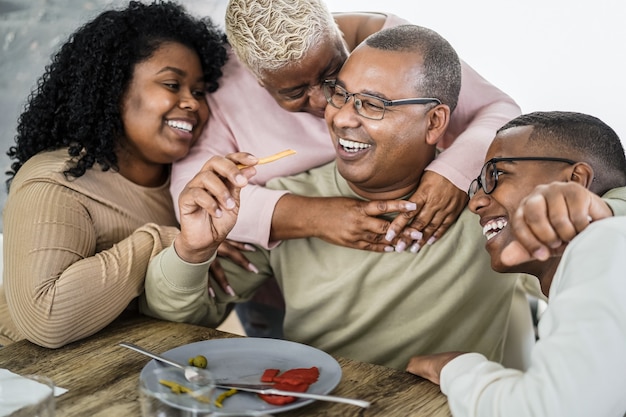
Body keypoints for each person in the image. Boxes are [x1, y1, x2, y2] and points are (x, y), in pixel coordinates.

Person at [142, 24, 526, 370]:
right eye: (341, 95)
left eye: (374, 104)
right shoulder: (283, 200)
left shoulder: (494, 204)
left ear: (435, 122)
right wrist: (191, 249)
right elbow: (178, 315)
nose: (338, 116)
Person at [0, 1, 236, 348]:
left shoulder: (191, 187)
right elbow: (46, 320)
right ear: (114, 87)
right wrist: (166, 241)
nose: (192, 103)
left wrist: (193, 258)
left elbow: (203, 315)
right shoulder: (54, 183)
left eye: (199, 92)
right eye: (172, 84)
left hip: (126, 374)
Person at [406, 111, 626, 416]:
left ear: (574, 181)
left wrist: (456, 369)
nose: (475, 203)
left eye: (496, 175)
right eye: (476, 186)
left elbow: (548, 411)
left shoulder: (604, 241)